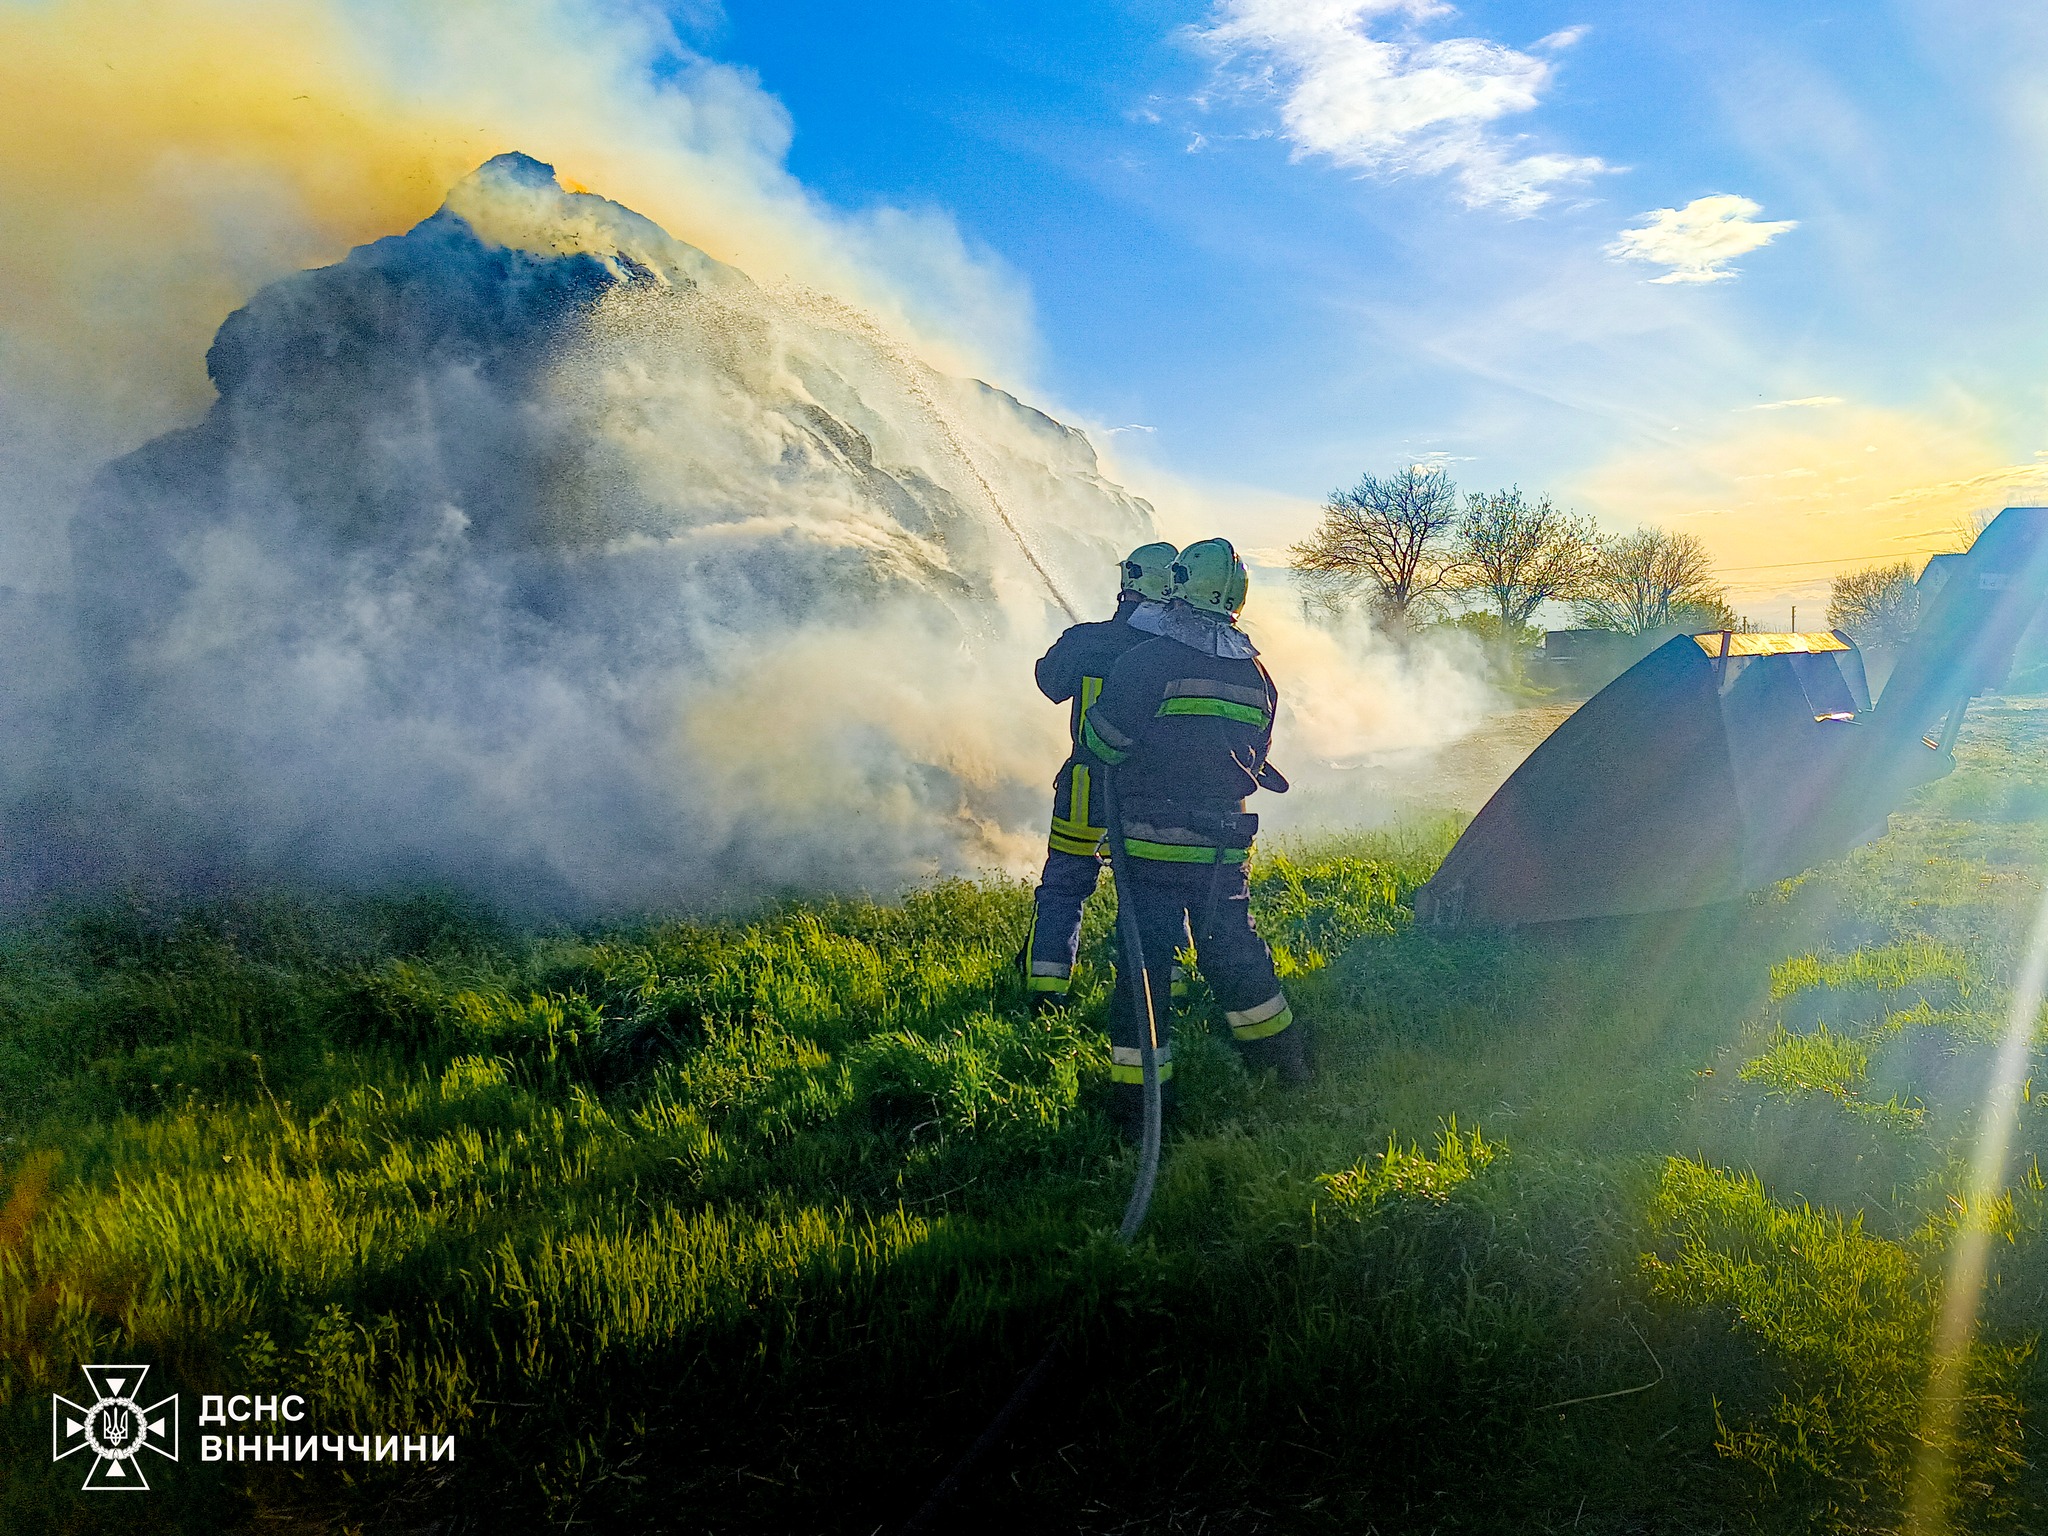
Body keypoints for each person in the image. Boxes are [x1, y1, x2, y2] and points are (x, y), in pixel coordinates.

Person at [1080, 536, 1308, 1132]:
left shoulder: (1147, 662)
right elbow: (1256, 755)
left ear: (1178, 586)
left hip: (1151, 847)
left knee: (1146, 967)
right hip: (1222, 848)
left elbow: (1103, 745)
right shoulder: (1258, 674)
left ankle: (1142, 1108)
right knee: (1233, 951)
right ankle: (1285, 1068)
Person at [1023, 542, 1183, 1015]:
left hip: (1083, 789)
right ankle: (1167, 993)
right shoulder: (1172, 653)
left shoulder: (1085, 640)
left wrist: (1083, 652)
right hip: (1147, 796)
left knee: (1063, 887)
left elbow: (1049, 682)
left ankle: (1044, 993)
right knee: (1152, 893)